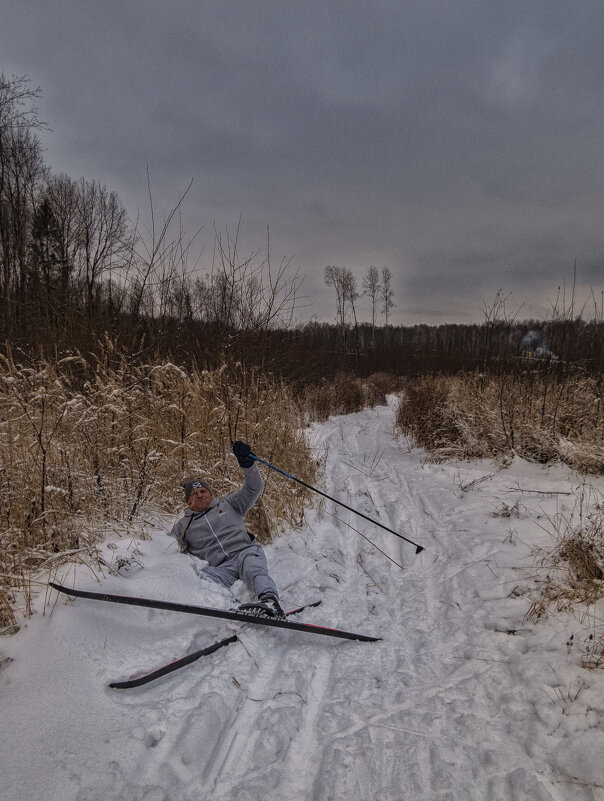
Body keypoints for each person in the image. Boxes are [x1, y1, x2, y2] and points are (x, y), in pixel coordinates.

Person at [169, 441, 285, 619]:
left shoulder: (229, 504)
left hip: (245, 552)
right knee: (202, 578)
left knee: (254, 571)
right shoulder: (183, 526)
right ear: (187, 501)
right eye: (194, 494)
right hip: (221, 568)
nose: (200, 495)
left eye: (203, 491)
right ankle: (232, 608)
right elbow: (166, 549)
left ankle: (270, 602)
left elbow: (254, 488)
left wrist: (247, 464)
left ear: (210, 493)